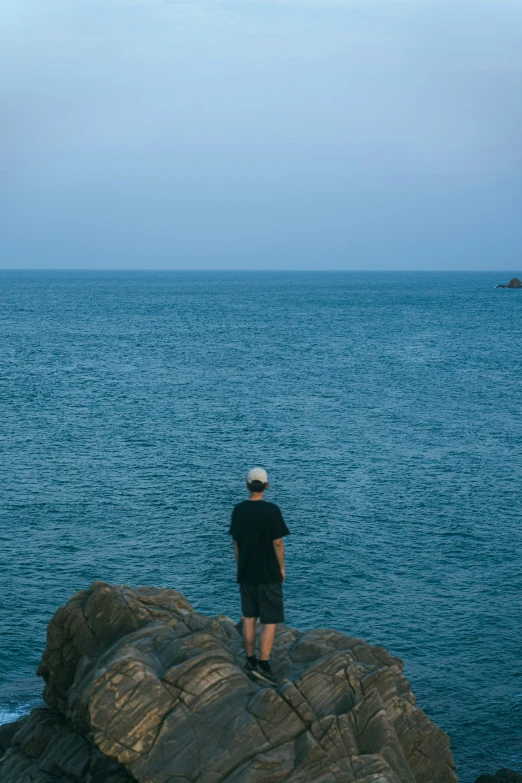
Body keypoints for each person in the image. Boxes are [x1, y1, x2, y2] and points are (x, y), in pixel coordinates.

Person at [229, 467, 290, 687]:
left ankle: (250, 661)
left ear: (247, 485)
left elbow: (236, 543)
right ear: (266, 486)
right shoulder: (272, 511)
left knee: (249, 617)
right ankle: (264, 665)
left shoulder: (238, 510)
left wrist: (240, 566)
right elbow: (278, 542)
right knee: (269, 620)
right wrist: (281, 567)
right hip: (268, 572)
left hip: (246, 571)